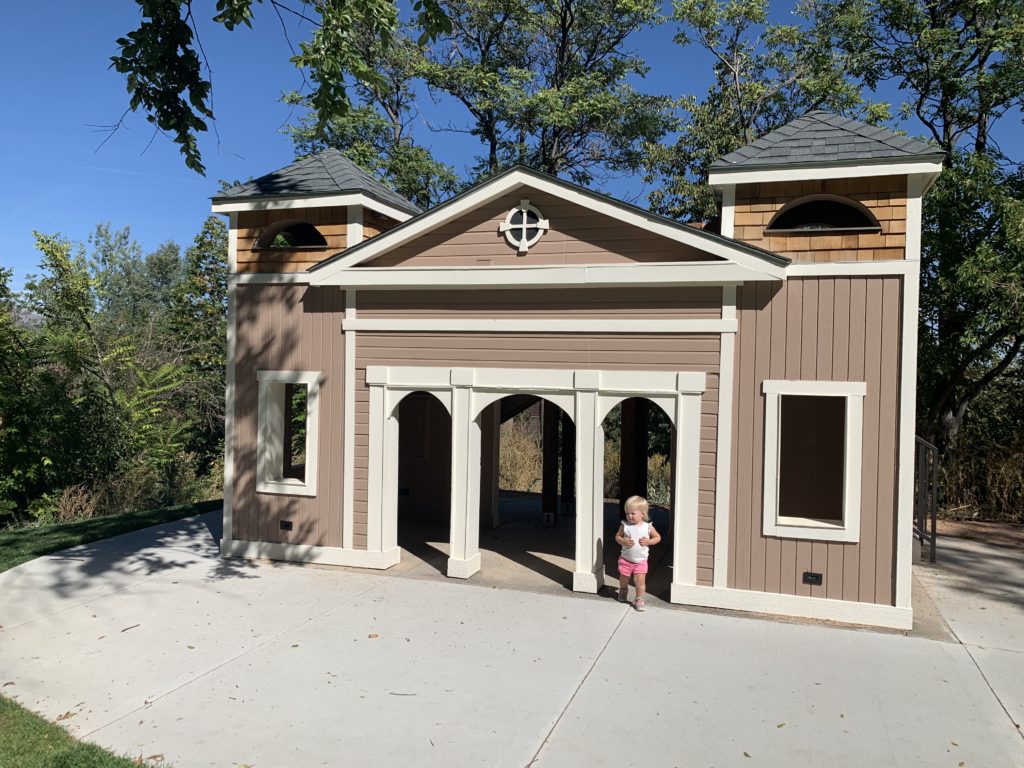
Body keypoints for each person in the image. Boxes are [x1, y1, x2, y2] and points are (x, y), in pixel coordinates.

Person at [614, 495, 661, 611]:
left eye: (632, 513)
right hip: (625, 560)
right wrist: (623, 541)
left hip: (640, 561)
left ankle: (639, 599)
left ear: (643, 514)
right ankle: (623, 590)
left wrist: (649, 541)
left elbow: (658, 537)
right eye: (627, 513)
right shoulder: (625, 525)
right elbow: (617, 537)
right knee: (623, 578)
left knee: (640, 582)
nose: (629, 516)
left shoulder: (647, 527)